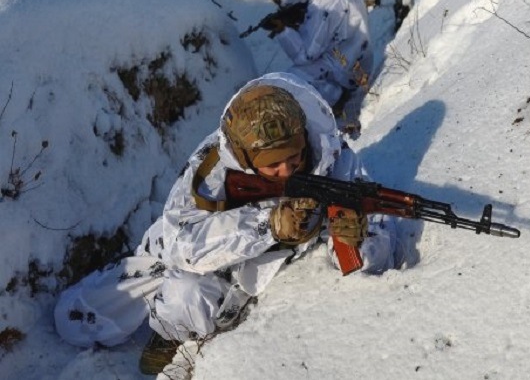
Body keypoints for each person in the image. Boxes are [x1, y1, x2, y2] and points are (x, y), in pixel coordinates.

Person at [54, 72, 398, 374]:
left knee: (185, 294)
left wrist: (356, 240)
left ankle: (177, 339)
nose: (287, 171)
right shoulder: (213, 166)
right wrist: (268, 224)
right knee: (72, 319)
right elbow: (181, 245)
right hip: (180, 252)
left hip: (251, 276)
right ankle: (164, 326)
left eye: (295, 157)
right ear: (245, 158)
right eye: (272, 166)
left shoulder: (334, 159)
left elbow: (374, 247)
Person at [264, 0, 373, 138]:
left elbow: (305, 54)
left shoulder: (328, 3)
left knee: (291, 80)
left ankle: (334, 98)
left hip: (343, 71)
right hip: (358, 61)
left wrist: (283, 30)